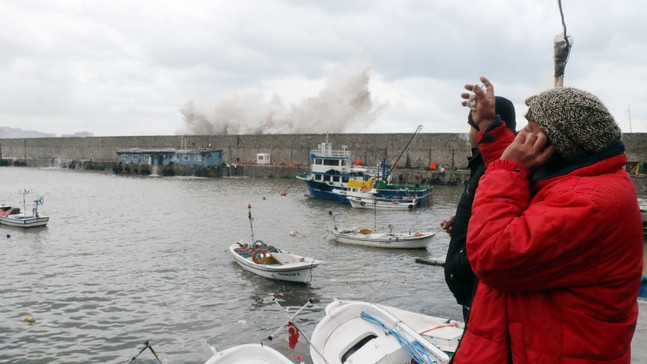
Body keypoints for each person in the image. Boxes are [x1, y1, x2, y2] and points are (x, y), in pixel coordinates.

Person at [451, 76, 643, 363]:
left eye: (531, 128)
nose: (521, 137)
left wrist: (508, 170)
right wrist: (490, 127)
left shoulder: (588, 203)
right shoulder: (583, 178)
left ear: (559, 144)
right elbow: (532, 174)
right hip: (536, 344)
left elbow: (493, 256)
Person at [441, 96, 516, 322]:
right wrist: (463, 221)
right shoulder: (482, 163)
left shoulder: (495, 166)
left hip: (478, 287)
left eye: (471, 126)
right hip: (471, 287)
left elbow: (505, 222)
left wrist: (464, 261)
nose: (469, 134)